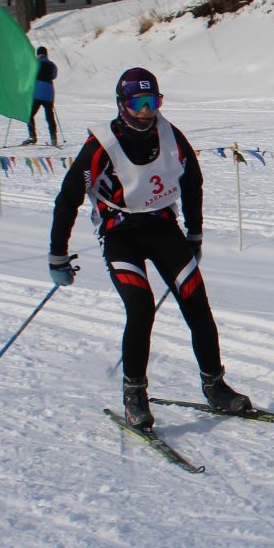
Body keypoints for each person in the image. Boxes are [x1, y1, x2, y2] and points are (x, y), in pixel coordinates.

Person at [47, 66, 252, 430]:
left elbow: (193, 182)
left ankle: (215, 386)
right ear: (121, 103)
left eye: (152, 101)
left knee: (196, 302)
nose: (146, 111)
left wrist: (195, 233)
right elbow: (68, 198)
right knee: (141, 309)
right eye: (138, 102)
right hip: (120, 234)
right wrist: (57, 254)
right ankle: (135, 396)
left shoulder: (171, 135)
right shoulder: (102, 144)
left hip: (162, 228)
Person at [22, 45, 58, 145]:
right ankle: (53, 137)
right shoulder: (52, 65)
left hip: (38, 94)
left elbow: (30, 76)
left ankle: (32, 136)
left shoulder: (35, 64)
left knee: (29, 115)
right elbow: (54, 76)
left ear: (38, 54)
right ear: (46, 54)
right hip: (49, 94)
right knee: (49, 116)